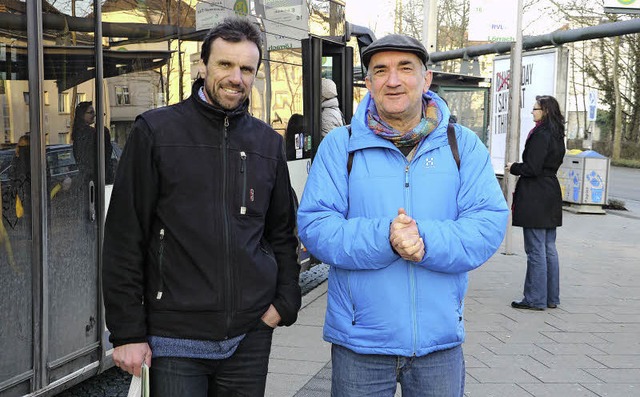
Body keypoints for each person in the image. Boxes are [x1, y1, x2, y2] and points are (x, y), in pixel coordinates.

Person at [297, 34, 509, 396]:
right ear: (368, 83)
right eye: (380, 70)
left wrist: (422, 240)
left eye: (405, 68)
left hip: (438, 344)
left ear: (426, 79)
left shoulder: (463, 145)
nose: (392, 80)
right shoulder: (340, 146)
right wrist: (387, 237)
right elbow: (316, 226)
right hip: (360, 343)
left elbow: (487, 224)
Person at [102, 17, 301, 396]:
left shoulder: (266, 143)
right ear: (202, 65)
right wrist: (127, 331)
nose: (236, 78)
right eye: (225, 65)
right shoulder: (156, 132)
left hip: (249, 336)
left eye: (247, 69)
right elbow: (124, 237)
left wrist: (284, 303)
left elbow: (280, 232)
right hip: (174, 337)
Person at [507, 95, 566, 311]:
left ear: (546, 111)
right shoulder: (558, 133)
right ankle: (551, 298)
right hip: (550, 192)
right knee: (549, 247)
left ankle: (535, 298)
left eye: (535, 109)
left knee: (535, 249)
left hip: (536, 195)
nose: (532, 112)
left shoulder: (541, 134)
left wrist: (514, 167)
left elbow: (532, 168)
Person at [72, 101, 113, 184]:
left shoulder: (80, 132)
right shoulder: (87, 133)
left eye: (94, 112)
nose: (94, 115)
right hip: (93, 178)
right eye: (91, 112)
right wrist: (100, 126)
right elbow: (104, 151)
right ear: (82, 115)